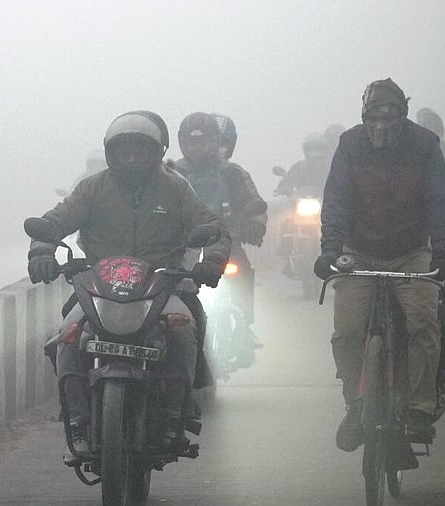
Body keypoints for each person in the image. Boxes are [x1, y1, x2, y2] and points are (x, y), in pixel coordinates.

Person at [27, 110, 231, 464]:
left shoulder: (175, 188)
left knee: (184, 331)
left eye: (141, 151)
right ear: (111, 153)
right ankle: (75, 416)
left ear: (159, 152)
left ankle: (174, 415)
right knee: (68, 334)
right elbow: (53, 222)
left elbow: (212, 226)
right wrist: (42, 251)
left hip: (163, 286)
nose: (132, 159)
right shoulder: (92, 188)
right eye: (124, 152)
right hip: (99, 287)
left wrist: (212, 260)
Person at [314, 78, 445, 452]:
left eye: (389, 118)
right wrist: (330, 250)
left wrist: (444, 255)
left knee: (423, 322)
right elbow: (337, 201)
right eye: (373, 118)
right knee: (346, 331)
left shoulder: (425, 146)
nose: (380, 126)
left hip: (412, 250)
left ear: (403, 118)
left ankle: (420, 409)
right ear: (363, 118)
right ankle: (355, 403)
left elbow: (438, 203)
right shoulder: (349, 145)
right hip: (358, 252)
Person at [169, 112, 268, 364]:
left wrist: (254, 226)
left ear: (216, 141)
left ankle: (245, 324)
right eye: (192, 142)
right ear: (182, 142)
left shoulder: (233, 173)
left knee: (242, 269)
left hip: (228, 242)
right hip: (182, 247)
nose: (198, 148)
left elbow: (254, 202)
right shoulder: (171, 172)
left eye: (203, 142)